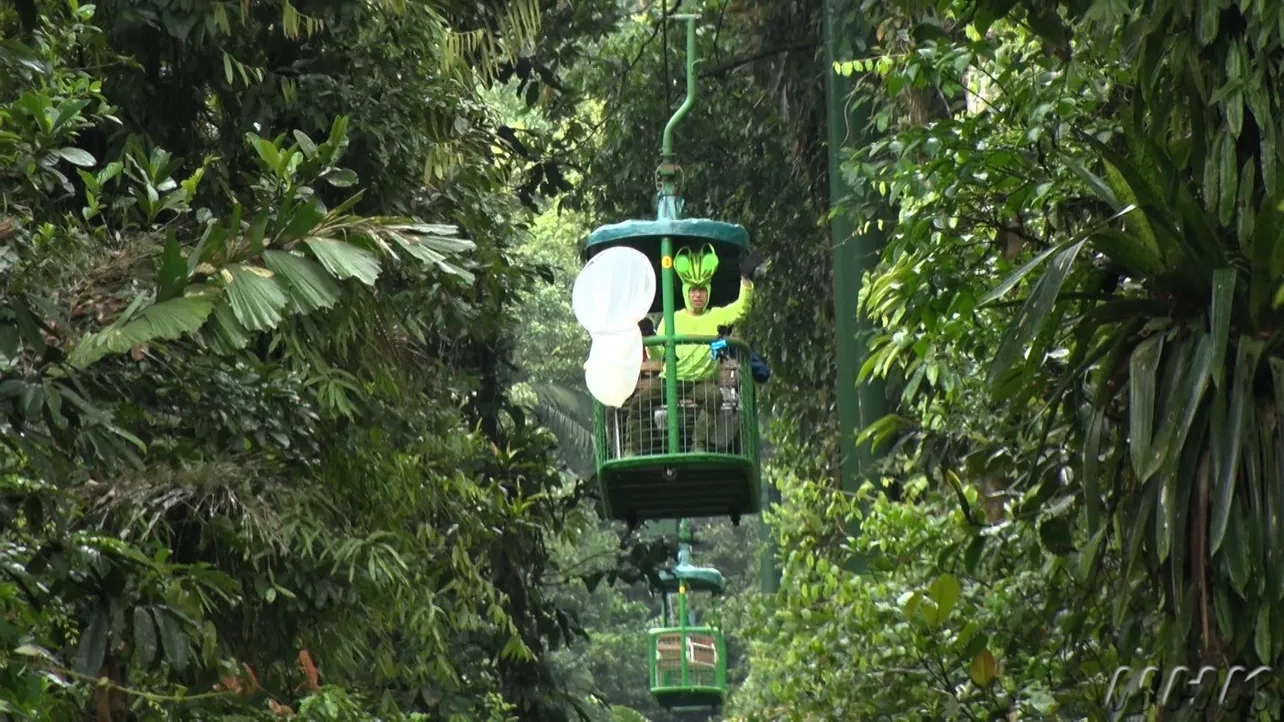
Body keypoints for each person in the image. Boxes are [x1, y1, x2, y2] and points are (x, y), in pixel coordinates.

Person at [655, 244, 762, 452]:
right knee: (640, 401)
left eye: (702, 290)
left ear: (708, 292)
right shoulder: (672, 318)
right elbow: (658, 351)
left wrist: (746, 281)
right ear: (687, 291)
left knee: (715, 397)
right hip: (672, 380)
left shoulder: (715, 316)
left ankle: (699, 444)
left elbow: (741, 309)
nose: (698, 295)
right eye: (693, 290)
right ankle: (636, 448)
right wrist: (649, 343)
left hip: (701, 381)